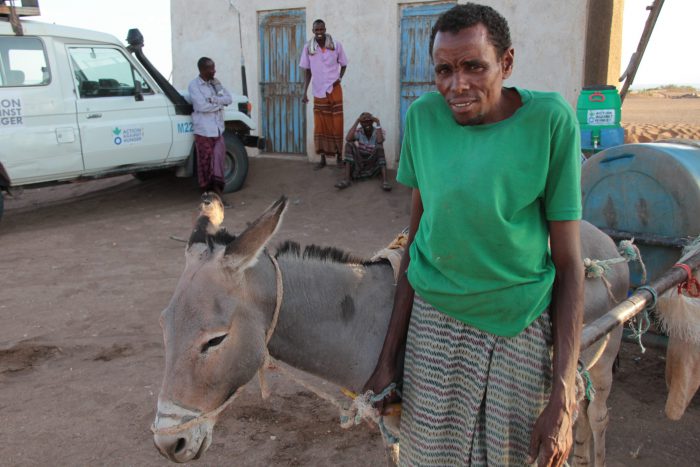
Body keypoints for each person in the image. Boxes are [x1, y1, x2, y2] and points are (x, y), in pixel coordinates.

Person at [363, 4, 583, 466]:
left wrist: (563, 394)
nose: (456, 85)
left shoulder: (550, 121)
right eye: (443, 70)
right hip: (434, 327)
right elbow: (418, 239)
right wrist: (388, 358)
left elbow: (568, 263)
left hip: (517, 327)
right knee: (426, 459)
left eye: (473, 67)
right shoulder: (423, 118)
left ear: (506, 63)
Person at [299, 19, 348, 170]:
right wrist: (304, 91)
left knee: (337, 124)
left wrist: (338, 79)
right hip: (319, 91)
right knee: (320, 125)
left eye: (321, 29)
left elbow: (344, 64)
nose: (319, 32)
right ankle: (322, 159)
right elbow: (307, 71)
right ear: (313, 31)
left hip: (334, 90)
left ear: (325, 29)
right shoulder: (309, 48)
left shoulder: (336, 45)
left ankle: (339, 157)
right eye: (316, 30)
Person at [188, 57, 233, 199]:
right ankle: (210, 197)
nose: (214, 71)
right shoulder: (194, 85)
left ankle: (218, 195)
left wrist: (213, 100)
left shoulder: (215, 83)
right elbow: (201, 106)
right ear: (202, 70)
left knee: (218, 164)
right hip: (204, 131)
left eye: (214, 68)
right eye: (211, 68)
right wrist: (220, 104)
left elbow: (229, 99)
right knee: (206, 166)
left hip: (218, 130)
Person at [335, 112, 391, 191]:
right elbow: (348, 139)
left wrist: (378, 122)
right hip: (360, 160)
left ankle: (385, 181)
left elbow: (380, 140)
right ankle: (346, 180)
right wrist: (357, 121)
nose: (366, 124)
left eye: (368, 121)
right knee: (349, 145)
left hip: (372, 161)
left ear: (372, 122)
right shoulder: (359, 131)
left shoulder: (378, 131)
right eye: (364, 122)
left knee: (379, 147)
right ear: (361, 123)